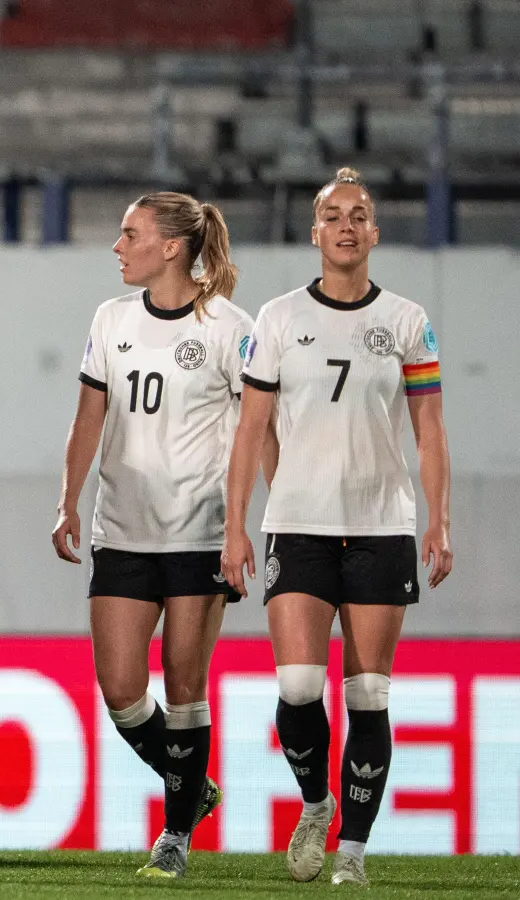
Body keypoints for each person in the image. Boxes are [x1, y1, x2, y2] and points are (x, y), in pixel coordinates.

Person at [223, 167, 453, 887]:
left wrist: (438, 523)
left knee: (368, 696)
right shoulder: (279, 318)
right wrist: (236, 527)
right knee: (296, 688)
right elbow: (250, 427)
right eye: (333, 214)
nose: (347, 224)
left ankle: (351, 851)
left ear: (374, 233)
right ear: (315, 232)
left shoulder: (408, 321)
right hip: (298, 523)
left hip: (383, 525)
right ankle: (317, 804)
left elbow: (431, 429)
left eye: (359, 214)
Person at [50, 192, 248, 878]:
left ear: (171, 247)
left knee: (185, 683)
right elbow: (88, 417)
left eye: (129, 234)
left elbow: (258, 431)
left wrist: (247, 526)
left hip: (200, 532)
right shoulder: (112, 320)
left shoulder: (228, 326)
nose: (117, 246)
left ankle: (176, 837)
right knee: (121, 689)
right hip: (123, 529)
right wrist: (68, 501)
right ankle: (192, 786)